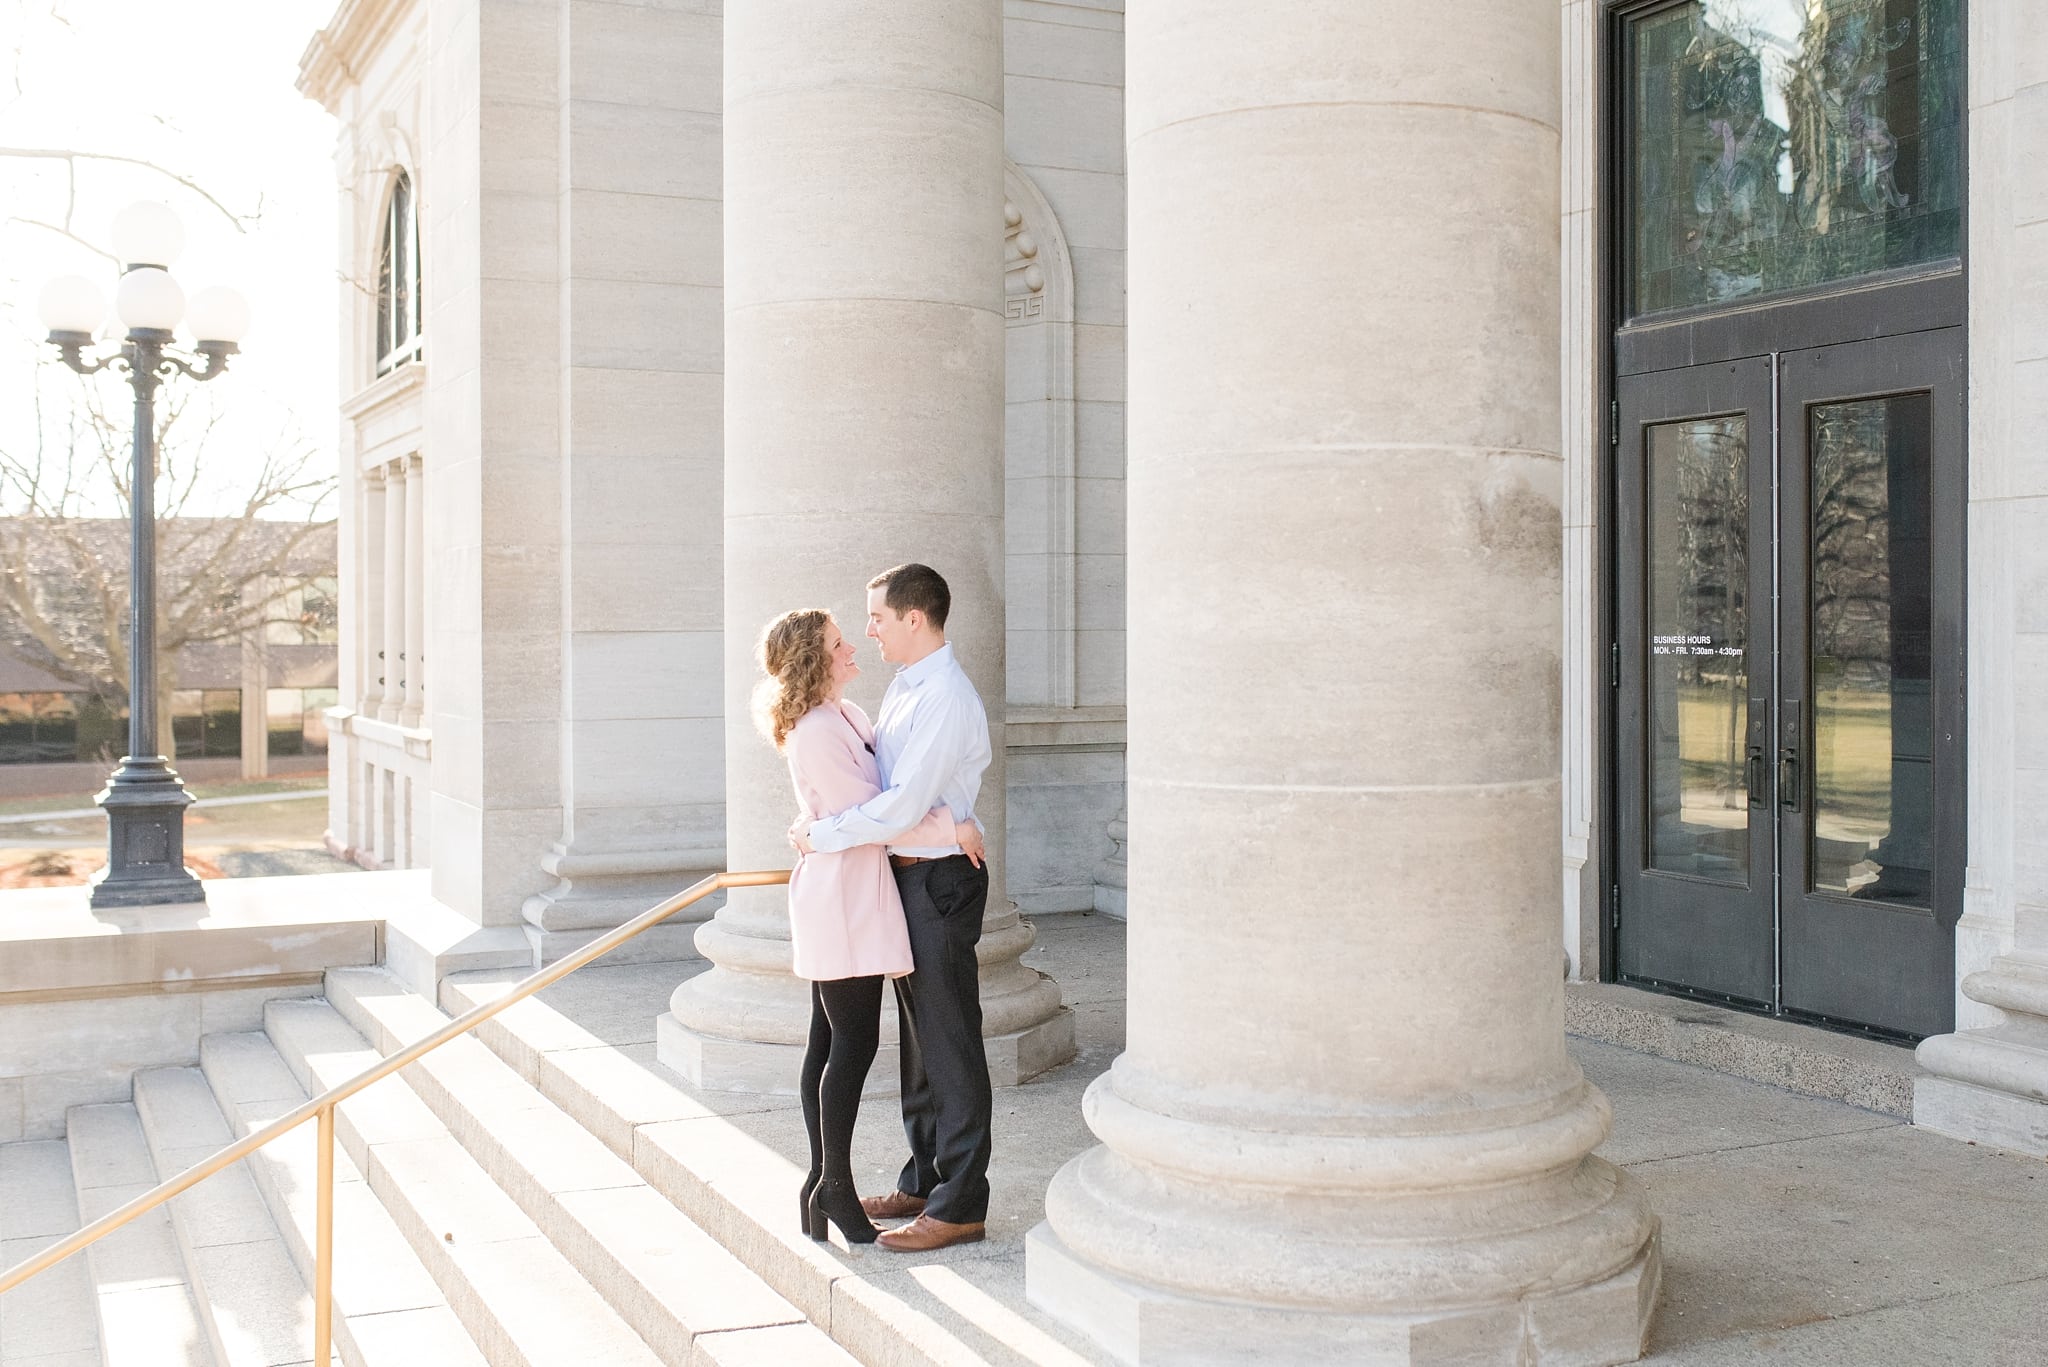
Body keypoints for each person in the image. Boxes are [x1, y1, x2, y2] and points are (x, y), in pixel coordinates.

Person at [757, 607, 984, 1246]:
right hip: (842, 897)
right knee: (846, 1044)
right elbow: (875, 815)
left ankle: (820, 1183)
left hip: (855, 888)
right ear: (814, 658)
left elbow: (877, 806)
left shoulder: (848, 715)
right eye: (838, 642)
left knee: (832, 1041)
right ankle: (830, 1183)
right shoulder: (816, 731)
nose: (853, 645)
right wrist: (954, 829)